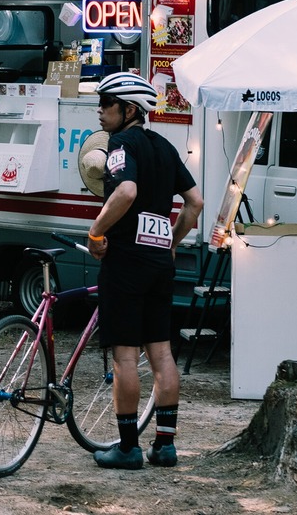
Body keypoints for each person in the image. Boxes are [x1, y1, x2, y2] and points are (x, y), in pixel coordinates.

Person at [86, 72, 203, 470]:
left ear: (129, 109)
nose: (100, 110)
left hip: (126, 262)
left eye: (107, 103)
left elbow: (126, 191)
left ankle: (128, 447)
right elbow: (195, 203)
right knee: (161, 353)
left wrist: (96, 231)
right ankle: (165, 446)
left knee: (124, 357)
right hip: (158, 263)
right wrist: (170, 242)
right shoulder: (165, 147)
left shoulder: (121, 144)